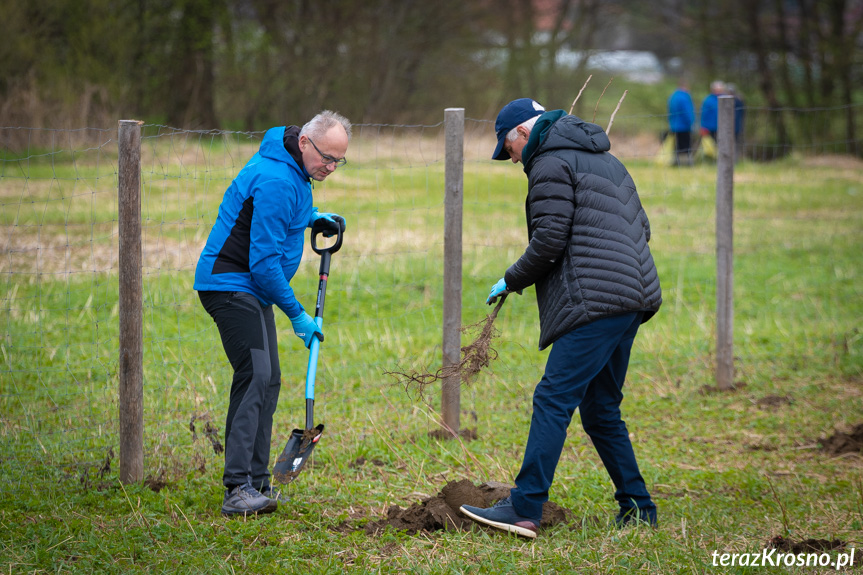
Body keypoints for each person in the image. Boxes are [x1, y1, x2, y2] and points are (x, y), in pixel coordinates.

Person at [459, 98, 662, 539]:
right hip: (634, 297)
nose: (511, 159)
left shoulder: (549, 163)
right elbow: (641, 228)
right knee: (601, 409)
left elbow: (550, 239)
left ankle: (525, 507)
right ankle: (639, 508)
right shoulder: (608, 160)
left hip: (595, 302)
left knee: (553, 397)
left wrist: (511, 279)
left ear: (522, 134)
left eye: (508, 148)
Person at [194, 110, 351, 517]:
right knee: (256, 376)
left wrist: (308, 218)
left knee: (270, 379)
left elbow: (274, 218)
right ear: (304, 143)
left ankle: (258, 479)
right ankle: (237, 489)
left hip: (249, 286)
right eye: (326, 158)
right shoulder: (279, 178)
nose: (330, 167)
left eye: (338, 160)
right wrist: (298, 314)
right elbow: (263, 264)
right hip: (229, 285)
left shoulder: (295, 170)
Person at [667, 80, 695, 165]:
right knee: (686, 145)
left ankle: (677, 162)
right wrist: (691, 122)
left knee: (677, 145)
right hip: (684, 126)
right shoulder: (684, 97)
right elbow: (687, 112)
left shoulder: (673, 96)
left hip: (674, 125)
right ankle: (686, 163)